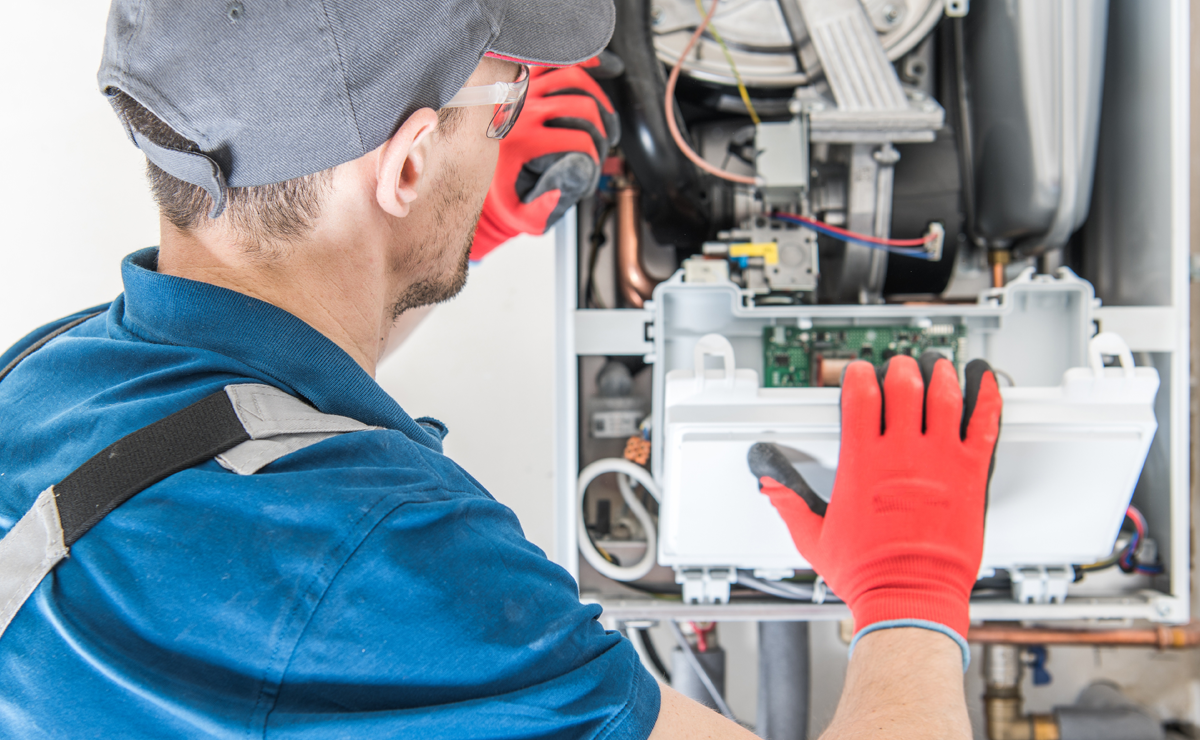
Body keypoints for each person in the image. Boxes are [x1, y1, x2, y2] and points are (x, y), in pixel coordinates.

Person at [0, 1, 1002, 738]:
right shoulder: (392, 556)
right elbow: (325, 554)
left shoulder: (50, 379)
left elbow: (254, 416)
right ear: (403, 167)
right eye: (503, 95)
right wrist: (911, 586)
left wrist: (437, 241)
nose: (514, 120)